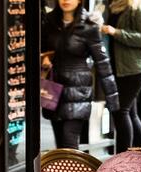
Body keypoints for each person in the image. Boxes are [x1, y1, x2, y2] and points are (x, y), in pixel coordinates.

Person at [41, 0, 119, 149]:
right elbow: (43, 49)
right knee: (60, 147)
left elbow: (103, 63)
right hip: (54, 90)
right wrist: (44, 58)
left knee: (69, 144)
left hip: (78, 91)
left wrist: (112, 99)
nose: (66, 1)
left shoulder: (88, 26)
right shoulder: (49, 23)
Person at [101, 0, 141, 152]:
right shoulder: (117, 6)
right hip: (122, 66)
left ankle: (122, 159)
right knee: (130, 112)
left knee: (121, 111)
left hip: (136, 67)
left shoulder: (140, 6)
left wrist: (116, 32)